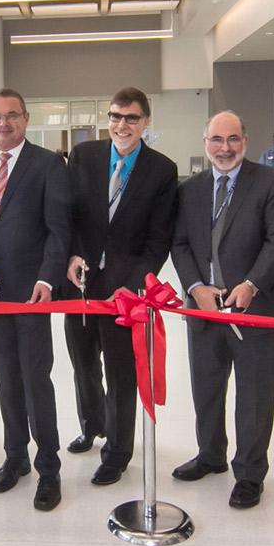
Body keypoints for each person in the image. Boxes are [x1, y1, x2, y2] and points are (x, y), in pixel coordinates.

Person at [169, 111, 274, 509]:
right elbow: (181, 244)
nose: (225, 148)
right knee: (206, 388)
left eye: (233, 139)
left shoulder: (272, 182)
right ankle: (210, 455)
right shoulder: (190, 189)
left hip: (256, 307)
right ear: (205, 143)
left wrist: (251, 284)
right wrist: (195, 289)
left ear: (245, 140)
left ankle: (250, 473)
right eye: (217, 140)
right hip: (204, 308)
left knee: (254, 396)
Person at [0, 88, 71, 511]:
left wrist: (48, 278)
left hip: (31, 293)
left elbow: (59, 229)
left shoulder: (48, 165)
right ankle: (15, 458)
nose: (3, 123)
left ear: (25, 119)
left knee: (35, 379)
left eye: (11, 116)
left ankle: (49, 467)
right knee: (6, 377)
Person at [64, 87, 179, 486]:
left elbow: (158, 241)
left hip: (124, 293)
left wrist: (129, 287)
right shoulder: (84, 156)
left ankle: (117, 452)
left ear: (146, 122)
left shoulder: (162, 170)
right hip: (80, 285)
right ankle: (91, 425)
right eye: (115, 116)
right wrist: (74, 254)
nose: (122, 125)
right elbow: (71, 216)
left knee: (120, 371)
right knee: (82, 364)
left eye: (131, 118)